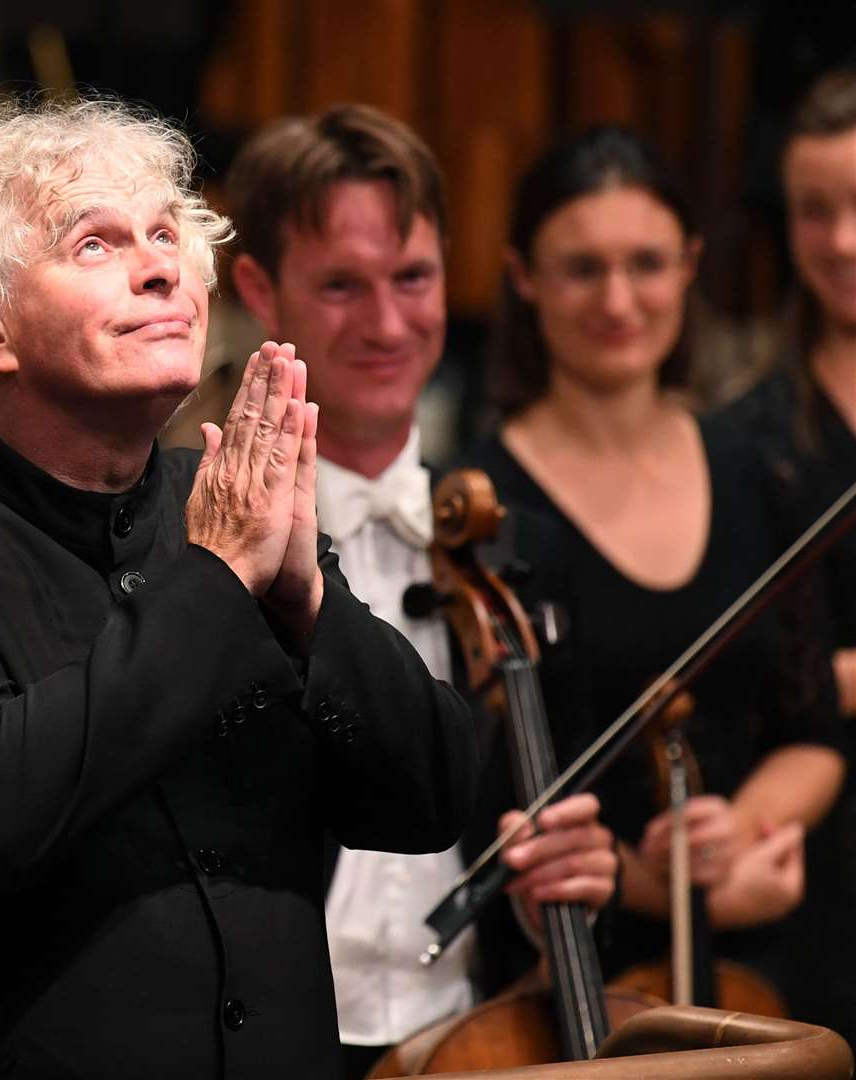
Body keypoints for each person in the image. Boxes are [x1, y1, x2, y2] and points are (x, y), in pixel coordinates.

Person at [0, 98, 480, 1078]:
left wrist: (307, 608)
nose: (163, 267)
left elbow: (432, 798)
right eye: (97, 244)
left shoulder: (229, 505)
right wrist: (217, 580)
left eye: (165, 233)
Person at [225, 103, 618, 1076]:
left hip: (476, 1044)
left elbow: (539, 827)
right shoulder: (202, 551)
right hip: (262, 1043)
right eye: (342, 287)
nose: (390, 323)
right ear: (258, 289)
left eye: (414, 278)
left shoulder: (519, 551)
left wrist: (558, 887)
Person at [466, 126, 846, 998]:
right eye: (581, 268)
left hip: (772, 953)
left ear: (689, 266)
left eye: (646, 263)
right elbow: (491, 791)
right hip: (583, 969)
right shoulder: (485, 507)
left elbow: (813, 731)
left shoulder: (758, 467)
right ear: (524, 277)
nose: (618, 299)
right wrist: (665, 887)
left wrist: (730, 840)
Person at [720, 67, 856, 1038]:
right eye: (816, 211)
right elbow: (750, 678)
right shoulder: (750, 435)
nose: (842, 241)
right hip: (818, 849)